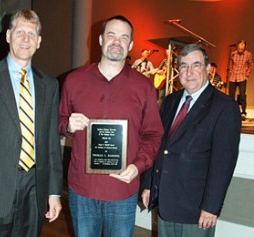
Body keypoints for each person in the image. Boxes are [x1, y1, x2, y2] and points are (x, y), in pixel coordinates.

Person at [0, 10, 63, 237]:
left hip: (35, 188)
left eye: (31, 33)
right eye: (20, 32)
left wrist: (54, 192)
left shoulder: (49, 85)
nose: (26, 39)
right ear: (8, 36)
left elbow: (51, 144)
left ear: (39, 41)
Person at [59, 15, 163, 237]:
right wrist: (67, 125)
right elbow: (58, 121)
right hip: (82, 189)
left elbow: (153, 134)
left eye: (124, 37)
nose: (117, 42)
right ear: (100, 39)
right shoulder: (74, 81)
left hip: (122, 191)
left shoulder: (144, 87)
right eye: (111, 35)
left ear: (131, 45)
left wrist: (138, 166)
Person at [142, 44, 241, 237]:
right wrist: (149, 185)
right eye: (184, 66)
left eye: (196, 65)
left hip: (196, 210)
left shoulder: (224, 107)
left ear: (208, 69)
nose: (189, 72)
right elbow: (160, 146)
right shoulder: (170, 101)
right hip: (166, 204)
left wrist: (211, 207)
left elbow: (223, 164)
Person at [228, 39, 253, 120]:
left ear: (245, 47)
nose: (240, 50)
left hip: (242, 77)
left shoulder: (248, 54)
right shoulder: (233, 54)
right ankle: (232, 111)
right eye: (239, 48)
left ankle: (243, 112)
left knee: (242, 95)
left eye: (242, 49)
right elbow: (231, 64)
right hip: (233, 77)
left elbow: (251, 64)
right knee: (231, 96)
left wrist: (247, 74)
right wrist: (231, 72)